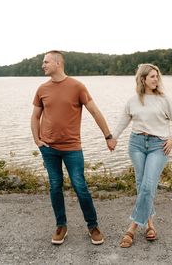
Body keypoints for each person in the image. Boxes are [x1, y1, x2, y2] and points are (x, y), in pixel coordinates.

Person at [31, 50, 115, 245]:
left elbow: (95, 111)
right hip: (48, 148)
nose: (43, 65)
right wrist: (37, 140)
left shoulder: (77, 86)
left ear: (58, 63)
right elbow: (35, 116)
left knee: (80, 186)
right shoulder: (42, 89)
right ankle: (61, 226)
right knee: (55, 186)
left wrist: (108, 136)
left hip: (72, 148)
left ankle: (92, 226)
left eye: (46, 62)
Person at [112, 63, 172, 248]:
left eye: (157, 76)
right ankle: (150, 225)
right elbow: (123, 121)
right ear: (143, 79)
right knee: (141, 184)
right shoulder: (133, 101)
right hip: (136, 144)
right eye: (152, 76)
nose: (156, 79)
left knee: (148, 185)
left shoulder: (164, 99)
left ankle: (132, 227)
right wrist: (113, 138)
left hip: (159, 146)